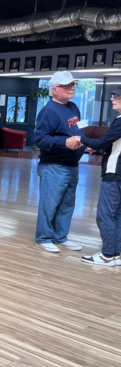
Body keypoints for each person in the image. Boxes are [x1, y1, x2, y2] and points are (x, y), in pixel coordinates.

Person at [33, 71, 84, 253]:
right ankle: (44, 238)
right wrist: (64, 142)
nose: (72, 88)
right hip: (54, 166)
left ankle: (60, 236)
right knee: (50, 203)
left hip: (72, 165)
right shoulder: (48, 111)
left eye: (73, 85)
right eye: (67, 86)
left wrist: (87, 143)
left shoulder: (73, 107)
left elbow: (78, 128)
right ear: (55, 90)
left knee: (67, 203)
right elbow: (40, 139)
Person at [68, 89, 121, 265]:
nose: (112, 98)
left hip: (114, 174)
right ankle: (116, 254)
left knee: (105, 214)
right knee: (118, 215)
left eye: (117, 96)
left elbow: (101, 142)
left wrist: (81, 139)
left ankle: (107, 255)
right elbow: (112, 144)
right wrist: (97, 147)